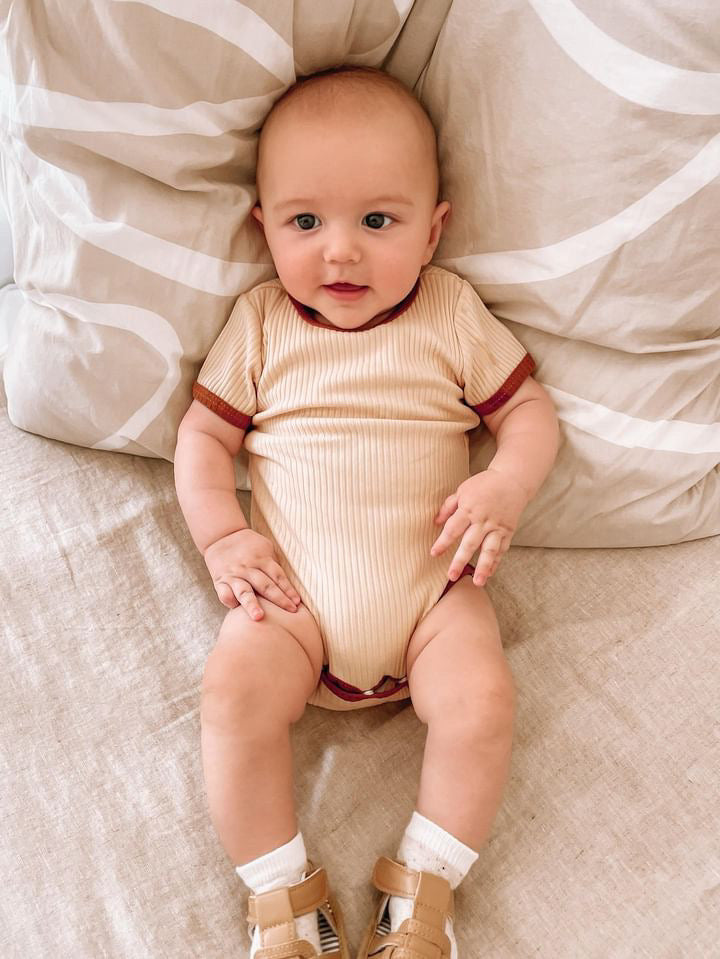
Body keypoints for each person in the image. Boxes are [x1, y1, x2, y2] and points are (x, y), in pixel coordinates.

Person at [174, 65, 560, 959]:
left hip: (434, 594)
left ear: (434, 230)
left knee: (483, 699)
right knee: (232, 689)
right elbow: (203, 437)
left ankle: (420, 889)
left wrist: (504, 483)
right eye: (306, 221)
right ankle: (283, 900)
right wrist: (223, 534)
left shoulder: (452, 313)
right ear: (262, 225)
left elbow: (528, 414)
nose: (340, 252)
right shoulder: (262, 322)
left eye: (377, 221)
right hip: (294, 603)